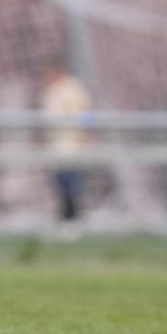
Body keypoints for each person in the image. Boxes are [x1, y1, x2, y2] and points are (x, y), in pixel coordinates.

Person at [39, 61, 93, 226]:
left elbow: (86, 112)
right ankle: (65, 217)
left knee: (70, 180)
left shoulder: (73, 87)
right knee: (59, 181)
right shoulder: (49, 90)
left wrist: (84, 134)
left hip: (70, 142)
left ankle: (73, 217)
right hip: (54, 144)